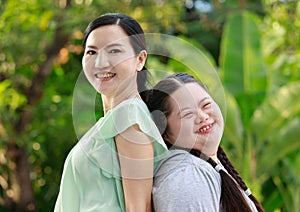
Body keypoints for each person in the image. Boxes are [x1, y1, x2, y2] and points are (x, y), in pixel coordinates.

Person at [54, 13, 168, 212]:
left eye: (114, 50)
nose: (100, 63)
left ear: (140, 60)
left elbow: (139, 208)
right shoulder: (111, 121)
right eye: (91, 52)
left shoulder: (130, 115)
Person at [146, 73, 264, 212]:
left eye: (206, 105)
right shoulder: (187, 176)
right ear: (166, 134)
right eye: (187, 114)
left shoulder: (204, 165)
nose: (202, 117)